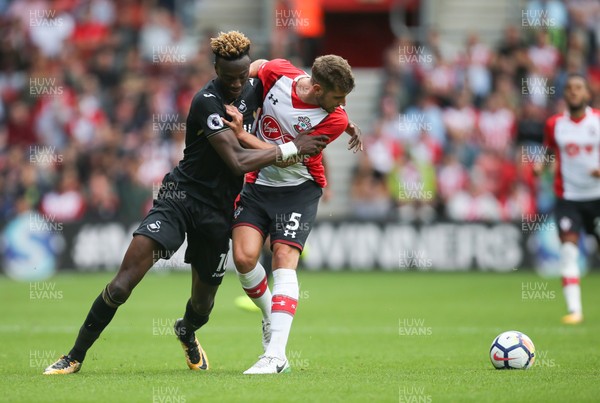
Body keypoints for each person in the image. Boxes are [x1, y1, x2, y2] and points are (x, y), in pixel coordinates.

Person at [43, 31, 329, 375]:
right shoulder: (207, 101)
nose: (237, 84)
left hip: (220, 212)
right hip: (180, 199)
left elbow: (310, 92)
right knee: (122, 284)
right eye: (228, 77)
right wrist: (292, 147)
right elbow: (237, 161)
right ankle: (74, 356)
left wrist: (346, 119)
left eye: (242, 76)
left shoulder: (257, 87)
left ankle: (186, 331)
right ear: (215, 70)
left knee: (203, 305)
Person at [222, 55, 358, 374]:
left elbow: (283, 160)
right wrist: (234, 92)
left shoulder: (335, 119)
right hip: (257, 184)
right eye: (338, 97)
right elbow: (257, 66)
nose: (343, 104)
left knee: (283, 256)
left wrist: (242, 135)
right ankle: (271, 316)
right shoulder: (281, 73)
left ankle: (276, 355)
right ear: (317, 87)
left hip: (299, 188)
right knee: (243, 259)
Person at [537, 73, 600, 325]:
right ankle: (574, 310)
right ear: (564, 94)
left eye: (578, 88)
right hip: (568, 198)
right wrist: (541, 167)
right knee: (568, 252)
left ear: (587, 94)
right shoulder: (554, 124)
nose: (574, 92)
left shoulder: (598, 121)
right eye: (569, 88)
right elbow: (550, 151)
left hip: (597, 197)